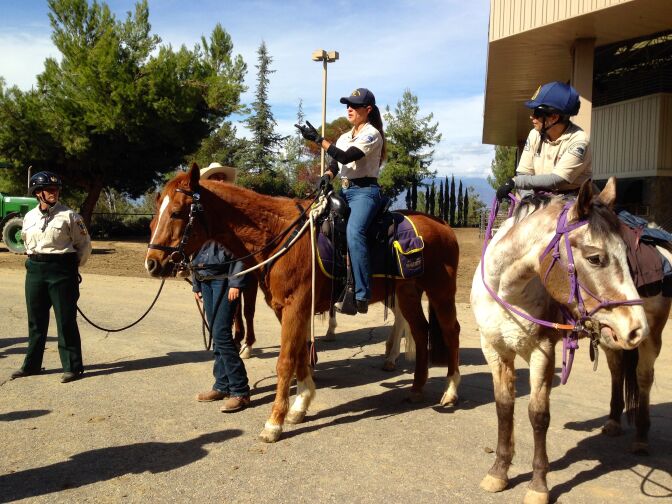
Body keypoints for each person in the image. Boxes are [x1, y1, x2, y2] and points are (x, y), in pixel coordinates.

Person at [296, 87, 386, 315]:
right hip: (344, 191)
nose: (350, 109)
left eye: (355, 106)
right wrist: (326, 177)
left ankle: (361, 294)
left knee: (355, 232)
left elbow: (347, 156)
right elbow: (336, 164)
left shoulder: (372, 134)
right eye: (348, 105)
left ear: (368, 110)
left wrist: (319, 140)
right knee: (318, 225)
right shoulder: (345, 136)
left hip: (365, 192)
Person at [11, 171, 92, 383]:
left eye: (56, 189)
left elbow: (84, 247)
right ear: (38, 193)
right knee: (36, 321)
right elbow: (27, 242)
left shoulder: (70, 216)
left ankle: (72, 367)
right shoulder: (29, 217)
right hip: (35, 270)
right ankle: (31, 365)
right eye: (49, 189)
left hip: (62, 271)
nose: (54, 193)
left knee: (65, 320)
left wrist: (70, 269)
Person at [192, 162, 251, 412]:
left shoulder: (233, 214)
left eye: (220, 179)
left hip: (226, 280)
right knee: (217, 334)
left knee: (222, 333)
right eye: (213, 179)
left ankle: (240, 389)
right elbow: (194, 247)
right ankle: (221, 383)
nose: (218, 182)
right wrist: (195, 282)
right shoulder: (201, 213)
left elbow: (243, 250)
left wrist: (236, 281)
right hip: (205, 279)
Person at [496, 81, 591, 201]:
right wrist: (528, 198)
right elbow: (524, 173)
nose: (532, 117)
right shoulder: (534, 134)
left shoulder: (579, 140)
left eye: (537, 113)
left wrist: (515, 182)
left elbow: (557, 180)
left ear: (554, 117)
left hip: (574, 201)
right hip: (540, 197)